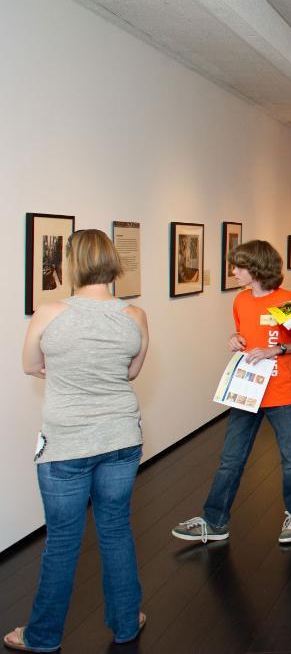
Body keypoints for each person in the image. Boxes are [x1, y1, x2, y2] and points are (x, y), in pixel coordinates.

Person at [8, 230, 149, 652]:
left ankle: (42, 636)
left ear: (72, 264)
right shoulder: (135, 315)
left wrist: (67, 373)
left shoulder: (49, 313)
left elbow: (31, 365)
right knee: (116, 531)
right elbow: (131, 373)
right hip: (122, 438)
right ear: (112, 262)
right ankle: (126, 623)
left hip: (66, 443)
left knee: (63, 542)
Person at [172, 240, 291, 546]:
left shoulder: (288, 300)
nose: (233, 271)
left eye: (238, 266)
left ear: (256, 268)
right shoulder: (240, 301)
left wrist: (276, 349)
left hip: (280, 392)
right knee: (230, 459)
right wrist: (235, 339)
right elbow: (243, 335)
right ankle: (214, 521)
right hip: (247, 393)